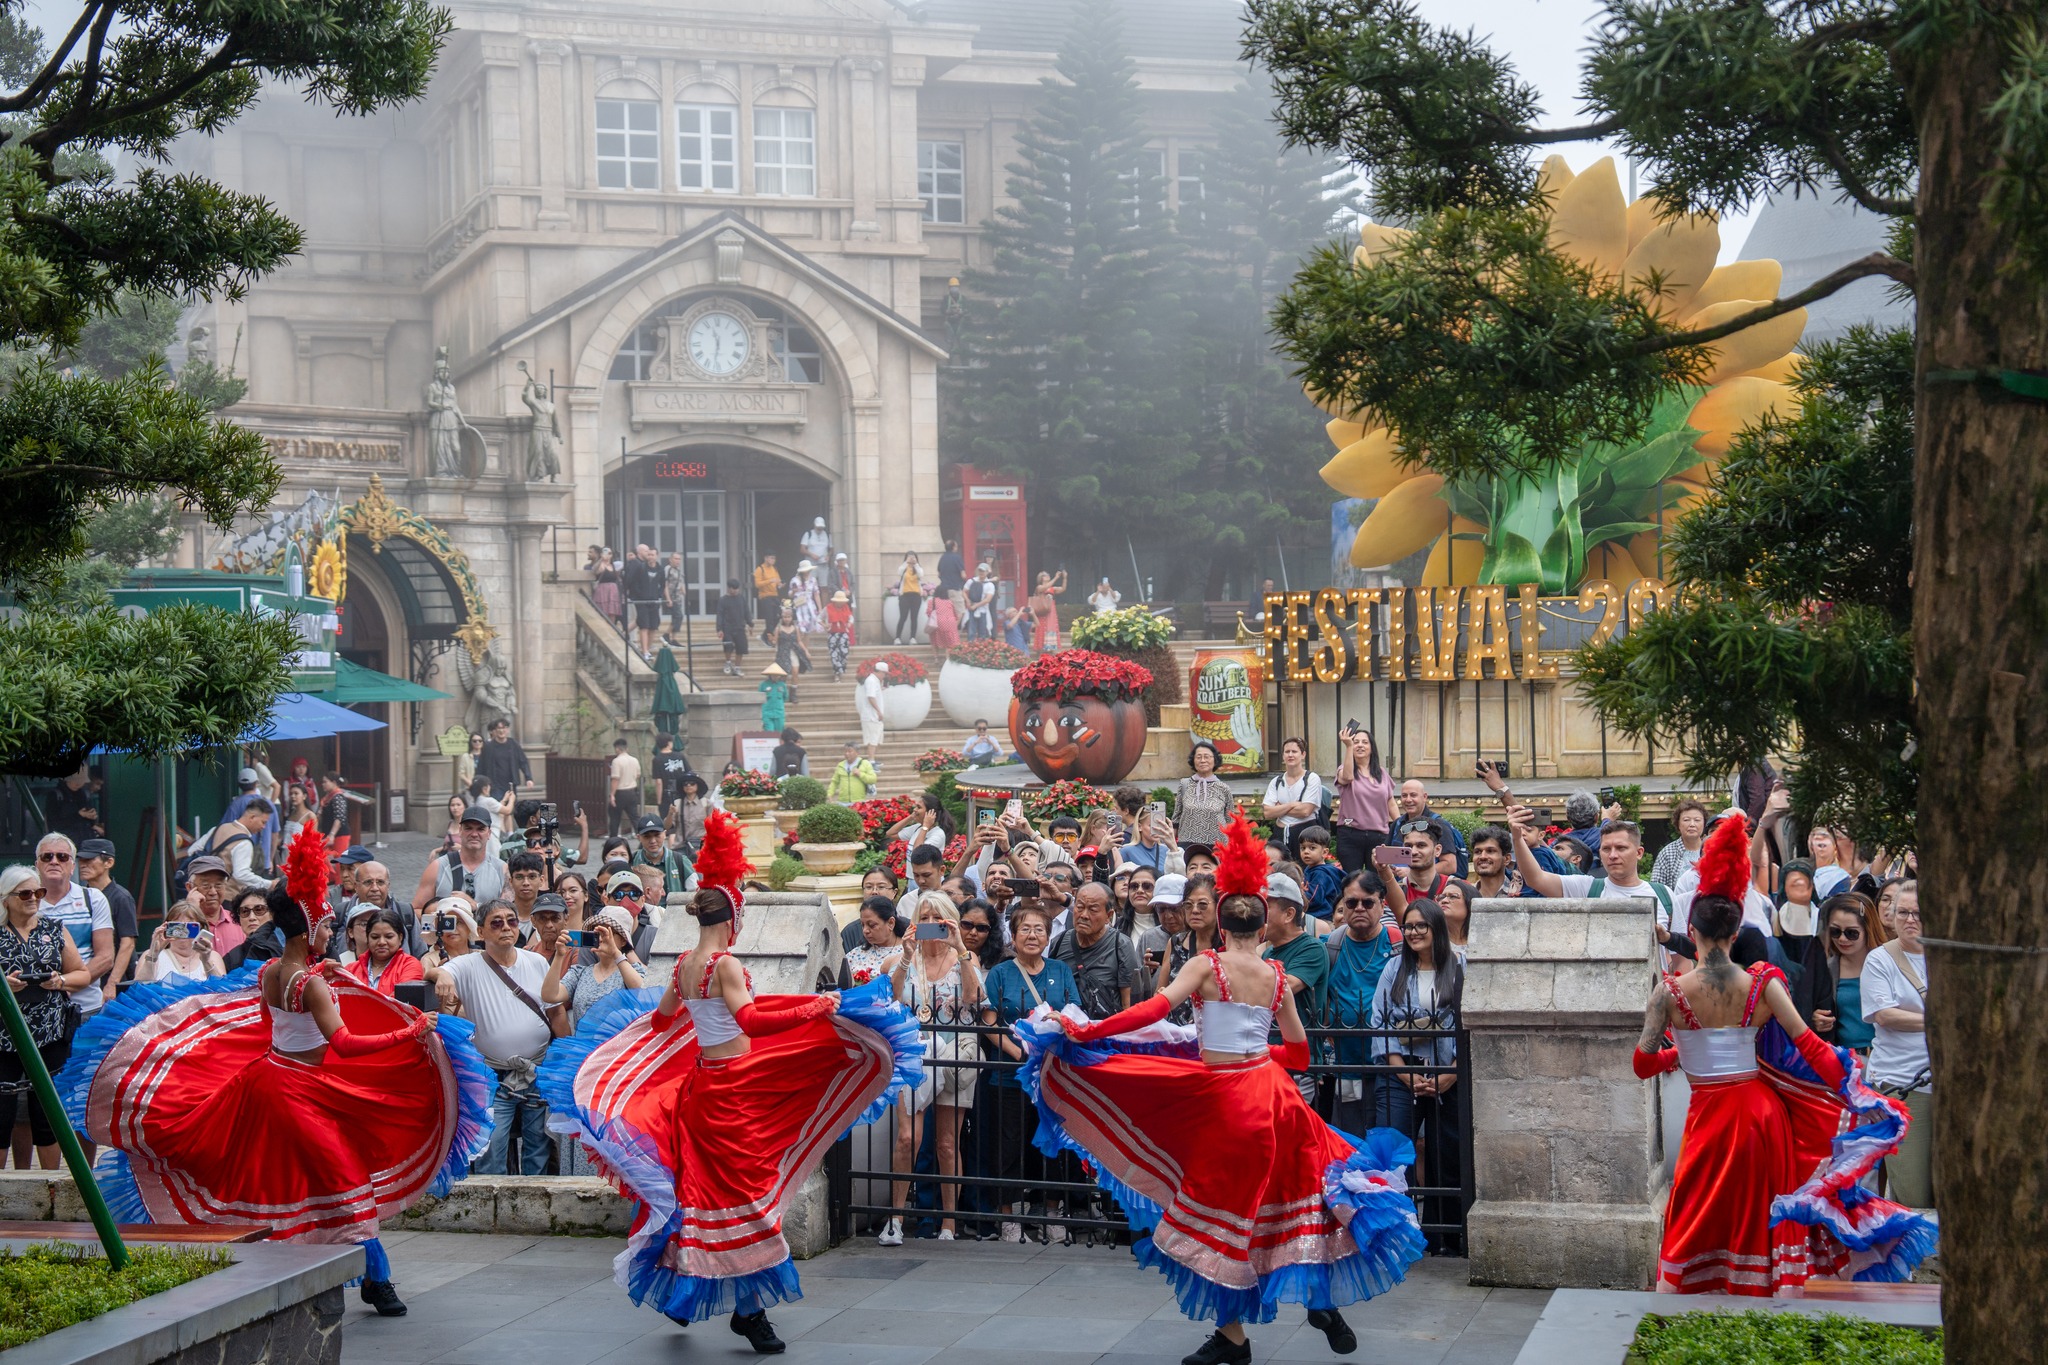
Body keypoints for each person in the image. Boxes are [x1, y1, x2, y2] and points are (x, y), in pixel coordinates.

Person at [1018, 815, 1423, 1364]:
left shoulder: (1209, 964)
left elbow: (1153, 1008)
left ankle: (1233, 1340)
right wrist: (1262, 1057)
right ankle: (1319, 1300)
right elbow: (1299, 1053)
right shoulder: (1277, 975)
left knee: (1223, 1217)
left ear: (1223, 926)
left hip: (1227, 1099)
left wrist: (1090, 1029)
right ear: (1262, 927)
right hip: (1278, 1099)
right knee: (1296, 1202)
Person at [59, 827, 491, 1317]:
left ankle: (341, 1274)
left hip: (271, 1080)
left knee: (282, 1183)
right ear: (309, 931)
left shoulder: (271, 973)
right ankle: (375, 1279)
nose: (332, 931)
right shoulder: (310, 984)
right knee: (345, 1183)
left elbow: (276, 1026)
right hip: (297, 1095)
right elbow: (344, 1044)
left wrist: (328, 978)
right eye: (327, 925)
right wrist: (409, 1033)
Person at [535, 812, 919, 1350]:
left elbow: (665, 1020)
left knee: (706, 1198)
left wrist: (641, 1049)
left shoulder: (685, 966)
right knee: (747, 1196)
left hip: (706, 1089)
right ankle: (750, 1312)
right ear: (733, 919)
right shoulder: (724, 963)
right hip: (734, 1092)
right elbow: (753, 1021)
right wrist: (818, 1006)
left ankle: (697, 1299)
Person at [1631, 819, 1935, 1294]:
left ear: (1691, 928)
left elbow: (1641, 1065)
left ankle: (1695, 1304)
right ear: (1738, 930)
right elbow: (1808, 1044)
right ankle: (1766, 1298)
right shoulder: (1763, 983)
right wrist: (1855, 1091)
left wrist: (1679, 1055)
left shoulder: (1667, 994)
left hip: (1708, 1118)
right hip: (1761, 1117)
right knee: (1760, 1215)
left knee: (1696, 1212)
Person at [427, 897, 562, 1175]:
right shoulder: (466, 965)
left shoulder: (536, 961)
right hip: (493, 1075)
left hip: (538, 1069)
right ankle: (493, 1216)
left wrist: (566, 1059)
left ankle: (537, 1210)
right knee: (491, 1145)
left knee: (539, 1143)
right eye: (496, 923)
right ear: (481, 931)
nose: (506, 928)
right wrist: (441, 975)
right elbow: (432, 970)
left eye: (511, 921)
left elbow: (555, 1012)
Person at [879, 891, 984, 1244]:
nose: (930, 925)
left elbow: (973, 998)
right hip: (915, 1053)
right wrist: (907, 957)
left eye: (937, 919)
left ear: (949, 921)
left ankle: (949, 1223)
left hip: (955, 1053)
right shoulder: (901, 959)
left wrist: (960, 947)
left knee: (946, 1143)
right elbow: (891, 1001)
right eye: (923, 918)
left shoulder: (964, 957)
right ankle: (894, 1219)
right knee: (909, 1137)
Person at [978, 900, 1081, 1243]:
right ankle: (1009, 1216)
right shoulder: (1000, 973)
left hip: (1053, 1074)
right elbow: (990, 1023)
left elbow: (1073, 1014)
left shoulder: (1061, 970)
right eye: (1025, 928)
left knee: (1053, 1145)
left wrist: (1056, 1032)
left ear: (1049, 936)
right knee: (1009, 1145)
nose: (1032, 935)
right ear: (1013, 934)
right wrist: (1019, 1052)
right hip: (1010, 1073)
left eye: (1040, 929)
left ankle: (1052, 1212)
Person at [1370, 897, 1464, 1249]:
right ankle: (1398, 1236)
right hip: (1401, 1070)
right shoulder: (1394, 968)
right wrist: (1404, 1074)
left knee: (1446, 1155)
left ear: (1436, 928)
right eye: (1408, 926)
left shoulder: (1459, 965)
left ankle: (1446, 1238)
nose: (1413, 932)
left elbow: (1466, 1026)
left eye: (1420, 926)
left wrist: (1451, 1074)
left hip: (1447, 1070)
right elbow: (1379, 1024)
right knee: (1395, 1155)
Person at [0, 864, 91, 1169]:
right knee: (1, 1115)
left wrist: (59, 981)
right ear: (6, 898)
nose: (33, 898)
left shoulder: (53, 928)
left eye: (38, 892)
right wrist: (4, 985)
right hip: (4, 1036)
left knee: (48, 1115)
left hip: (50, 1032)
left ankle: (50, 1187)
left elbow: (83, 973)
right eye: (25, 893)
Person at [1862, 880, 1931, 1207]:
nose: (1909, 919)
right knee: (1912, 1188)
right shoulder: (1880, 959)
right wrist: (1939, 1025)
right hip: (1902, 1083)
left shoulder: (1944, 957)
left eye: (1917, 913)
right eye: (1902, 912)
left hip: (1949, 1084)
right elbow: (1884, 1015)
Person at [1323, 870, 1401, 1135]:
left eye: (1367, 902)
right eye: (1351, 903)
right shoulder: (1330, 945)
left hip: (1393, 1068)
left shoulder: (1397, 944)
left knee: (1389, 1140)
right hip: (1348, 1066)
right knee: (1349, 1140)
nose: (1359, 908)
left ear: (1382, 905)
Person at [34, 835, 113, 1021]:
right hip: (36, 1008)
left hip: (85, 1008)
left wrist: (65, 984)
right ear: (36, 864)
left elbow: (105, 957)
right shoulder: (26, 902)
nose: (54, 861)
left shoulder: (93, 899)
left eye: (62, 857)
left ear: (72, 866)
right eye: (47, 857)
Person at [1793, 892, 1884, 1051]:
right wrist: (1813, 1019)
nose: (1842, 939)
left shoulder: (1888, 963)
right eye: (1835, 931)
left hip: (1888, 1057)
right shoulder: (1827, 969)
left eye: (1851, 933)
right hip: (1847, 1059)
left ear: (1868, 929)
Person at [1050, 882, 1147, 1020]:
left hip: (1105, 1030)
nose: (1084, 915)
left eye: (1093, 910)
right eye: (1080, 907)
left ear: (1109, 915)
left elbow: (1128, 1003)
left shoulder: (1120, 944)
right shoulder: (1059, 942)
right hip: (1064, 1029)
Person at [542, 907, 643, 1026]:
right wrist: (559, 956)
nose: (600, 939)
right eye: (597, 934)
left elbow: (642, 992)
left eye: (607, 934)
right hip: (583, 1042)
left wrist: (616, 953)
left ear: (623, 941)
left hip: (619, 1042)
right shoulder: (580, 972)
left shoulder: (633, 970)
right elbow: (550, 996)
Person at [73, 839, 137, 1001]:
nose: (83, 865)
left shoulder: (121, 897)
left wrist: (112, 984)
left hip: (113, 980)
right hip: (87, 978)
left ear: (109, 862)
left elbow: (127, 944)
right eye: (81, 860)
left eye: (89, 859)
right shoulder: (80, 896)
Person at [1331, 727, 1397, 872]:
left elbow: (1390, 802)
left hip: (1379, 836)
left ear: (1372, 747)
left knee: (1377, 881)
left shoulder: (1381, 773)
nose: (1360, 745)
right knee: (1352, 879)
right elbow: (1348, 777)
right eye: (1356, 742)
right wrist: (1348, 746)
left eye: (1365, 742)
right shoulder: (1344, 769)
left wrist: (1401, 826)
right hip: (1351, 834)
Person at [1260, 738, 1324, 862]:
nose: (1290, 755)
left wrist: (1279, 808)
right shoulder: (1276, 781)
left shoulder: (1311, 778)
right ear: (1283, 755)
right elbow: (1267, 812)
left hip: (1305, 833)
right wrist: (1292, 804)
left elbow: (1305, 811)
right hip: (1279, 834)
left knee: (1303, 872)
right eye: (1287, 752)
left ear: (1303, 754)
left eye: (1294, 751)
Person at [135, 901, 227, 983]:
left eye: (189, 927)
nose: (183, 932)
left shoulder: (212, 957)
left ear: (200, 929)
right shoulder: (150, 955)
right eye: (177, 926)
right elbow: (138, 990)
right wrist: (153, 955)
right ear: (167, 927)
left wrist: (206, 961)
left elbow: (222, 991)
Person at [195, 799, 276, 891]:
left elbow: (194, 850)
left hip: (203, 891)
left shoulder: (217, 829)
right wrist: (269, 884)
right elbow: (241, 874)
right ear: (252, 817)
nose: (263, 827)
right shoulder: (244, 842)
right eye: (263, 822)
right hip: (227, 896)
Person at [1395, 780, 1468, 878]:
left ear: (1424, 797)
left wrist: (1412, 873)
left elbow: (1450, 866)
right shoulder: (1398, 824)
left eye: (1413, 795)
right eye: (1404, 795)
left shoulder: (1440, 825)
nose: (1408, 800)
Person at [346, 908, 425, 997]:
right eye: (375, 937)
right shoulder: (350, 970)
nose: (381, 942)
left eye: (389, 936)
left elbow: (401, 1002)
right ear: (367, 938)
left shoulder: (410, 965)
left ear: (400, 938)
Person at [1174, 741, 1232, 850]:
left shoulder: (1224, 788)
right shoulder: (1184, 784)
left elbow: (1230, 821)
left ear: (1215, 760)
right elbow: (1176, 818)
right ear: (1193, 760)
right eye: (1198, 757)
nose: (1203, 760)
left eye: (1207, 757)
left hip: (1217, 845)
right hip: (1187, 843)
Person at [842, 894, 906, 988]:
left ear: (891, 923)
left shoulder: (909, 952)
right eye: (862, 925)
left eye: (872, 925)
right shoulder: (856, 954)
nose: (865, 931)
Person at [1652, 800, 1711, 888]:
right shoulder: (1667, 853)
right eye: (1686, 820)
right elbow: (1657, 888)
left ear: (1704, 824)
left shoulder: (1712, 850)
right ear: (1678, 824)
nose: (1692, 824)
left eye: (1697, 820)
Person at [623, 543, 666, 661]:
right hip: (642, 601)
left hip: (654, 601)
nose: (650, 556)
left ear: (657, 556)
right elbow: (633, 582)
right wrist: (638, 595)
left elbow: (662, 584)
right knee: (644, 625)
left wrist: (659, 595)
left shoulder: (660, 569)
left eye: (652, 554)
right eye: (649, 554)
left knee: (653, 626)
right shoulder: (641, 567)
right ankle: (645, 651)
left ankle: (648, 648)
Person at [631, 816, 690, 899]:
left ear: (665, 834)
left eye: (657, 835)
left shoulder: (680, 861)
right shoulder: (631, 861)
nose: (653, 841)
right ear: (639, 838)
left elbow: (694, 894)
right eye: (647, 836)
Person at [479, 717, 534, 795]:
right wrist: (480, 783)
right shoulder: (488, 746)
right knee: (499, 806)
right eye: (499, 728)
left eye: (504, 728)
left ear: (508, 730)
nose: (501, 730)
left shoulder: (514, 744)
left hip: (511, 784)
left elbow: (523, 762)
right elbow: (481, 766)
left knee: (511, 806)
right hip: (494, 785)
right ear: (495, 730)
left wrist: (528, 778)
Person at [773, 606, 812, 696]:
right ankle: (781, 692)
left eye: (789, 617)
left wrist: (806, 651)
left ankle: (793, 693)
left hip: (794, 651)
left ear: (792, 617)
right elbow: (775, 642)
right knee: (783, 673)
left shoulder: (796, 628)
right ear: (782, 618)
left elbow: (799, 641)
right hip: (782, 652)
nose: (787, 619)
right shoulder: (778, 628)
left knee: (795, 671)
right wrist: (772, 640)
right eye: (785, 617)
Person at [716, 578, 752, 676]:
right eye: (733, 589)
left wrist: (750, 623)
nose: (735, 591)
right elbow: (720, 614)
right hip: (727, 627)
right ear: (729, 588)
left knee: (741, 648)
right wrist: (719, 629)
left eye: (737, 589)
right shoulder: (723, 600)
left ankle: (737, 667)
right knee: (728, 646)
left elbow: (746, 611)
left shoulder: (741, 598)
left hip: (740, 627)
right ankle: (728, 662)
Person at [609, 737, 643, 837]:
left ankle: (613, 839)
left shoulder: (616, 761)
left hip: (620, 792)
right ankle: (642, 837)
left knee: (615, 817)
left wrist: (612, 795)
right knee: (634, 817)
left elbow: (615, 779)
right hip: (632, 792)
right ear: (626, 748)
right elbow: (638, 775)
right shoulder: (635, 760)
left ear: (617, 749)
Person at [1027, 570, 1066, 650]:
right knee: (1042, 627)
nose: (1048, 576)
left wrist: (1065, 578)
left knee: (1051, 627)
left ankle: (1050, 647)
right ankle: (1041, 647)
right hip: (1043, 610)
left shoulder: (1052, 588)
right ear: (1041, 578)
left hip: (1051, 610)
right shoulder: (1039, 587)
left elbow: (1062, 589)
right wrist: (1055, 578)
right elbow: (1045, 587)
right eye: (1045, 575)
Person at [858, 660, 887, 761]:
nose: (884, 676)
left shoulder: (875, 681)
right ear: (880, 672)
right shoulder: (871, 680)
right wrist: (879, 711)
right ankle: (871, 761)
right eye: (884, 674)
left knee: (876, 739)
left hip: (874, 716)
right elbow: (871, 697)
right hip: (871, 716)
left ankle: (872, 759)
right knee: (872, 740)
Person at [892, 553, 925, 642]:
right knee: (903, 616)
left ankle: (912, 637)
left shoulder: (918, 568)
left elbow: (921, 574)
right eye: (909, 557)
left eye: (913, 557)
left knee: (914, 617)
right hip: (905, 595)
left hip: (916, 595)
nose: (911, 559)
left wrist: (916, 564)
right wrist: (906, 563)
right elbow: (899, 572)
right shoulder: (904, 568)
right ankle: (897, 637)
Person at [752, 552, 783, 645]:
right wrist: (769, 581)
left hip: (774, 595)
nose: (773, 560)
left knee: (778, 616)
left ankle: (764, 635)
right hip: (765, 596)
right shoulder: (760, 569)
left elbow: (778, 581)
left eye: (774, 558)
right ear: (765, 558)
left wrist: (780, 584)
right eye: (771, 558)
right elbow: (757, 584)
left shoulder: (774, 569)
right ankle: (769, 639)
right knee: (769, 618)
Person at [787, 559, 823, 636]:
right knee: (800, 629)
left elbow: (816, 594)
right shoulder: (795, 580)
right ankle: (800, 647)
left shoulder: (813, 580)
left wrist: (820, 608)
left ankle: (805, 647)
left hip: (810, 606)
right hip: (799, 606)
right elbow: (790, 595)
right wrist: (794, 591)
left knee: (808, 631)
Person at [825, 590, 855, 677]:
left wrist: (849, 623)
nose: (841, 603)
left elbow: (851, 618)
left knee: (844, 651)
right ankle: (837, 672)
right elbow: (819, 618)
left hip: (843, 633)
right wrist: (825, 625)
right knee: (834, 653)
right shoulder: (828, 608)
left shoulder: (846, 608)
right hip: (832, 633)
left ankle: (842, 668)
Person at [662, 549, 689, 645]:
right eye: (676, 558)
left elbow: (681, 584)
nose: (678, 561)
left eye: (679, 559)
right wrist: (668, 598)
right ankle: (666, 634)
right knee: (679, 616)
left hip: (678, 597)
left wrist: (685, 595)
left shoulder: (679, 571)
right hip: (670, 597)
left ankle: (673, 639)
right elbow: (665, 584)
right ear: (670, 559)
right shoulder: (667, 569)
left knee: (676, 617)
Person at [592, 547, 625, 625]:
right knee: (602, 611)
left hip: (612, 590)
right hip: (602, 589)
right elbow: (594, 570)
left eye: (610, 553)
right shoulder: (601, 565)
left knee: (612, 612)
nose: (608, 555)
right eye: (606, 553)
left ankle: (612, 627)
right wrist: (601, 559)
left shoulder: (613, 565)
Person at [925, 585, 960, 650]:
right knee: (950, 643)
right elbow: (955, 614)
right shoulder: (949, 602)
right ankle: (948, 658)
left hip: (938, 622)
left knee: (934, 639)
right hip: (951, 623)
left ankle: (936, 658)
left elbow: (929, 613)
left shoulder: (932, 601)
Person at [758, 662, 790, 732]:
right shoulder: (763, 685)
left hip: (779, 713)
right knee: (770, 732)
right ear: (770, 675)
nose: (775, 676)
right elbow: (759, 698)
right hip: (767, 713)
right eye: (774, 675)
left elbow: (785, 697)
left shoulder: (782, 685)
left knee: (779, 733)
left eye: (777, 675)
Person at [454, 730, 483, 798]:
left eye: (480, 741)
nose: (477, 743)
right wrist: (470, 784)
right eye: (474, 741)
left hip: (484, 788)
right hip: (470, 788)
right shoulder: (465, 756)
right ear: (471, 742)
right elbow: (461, 774)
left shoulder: (486, 755)